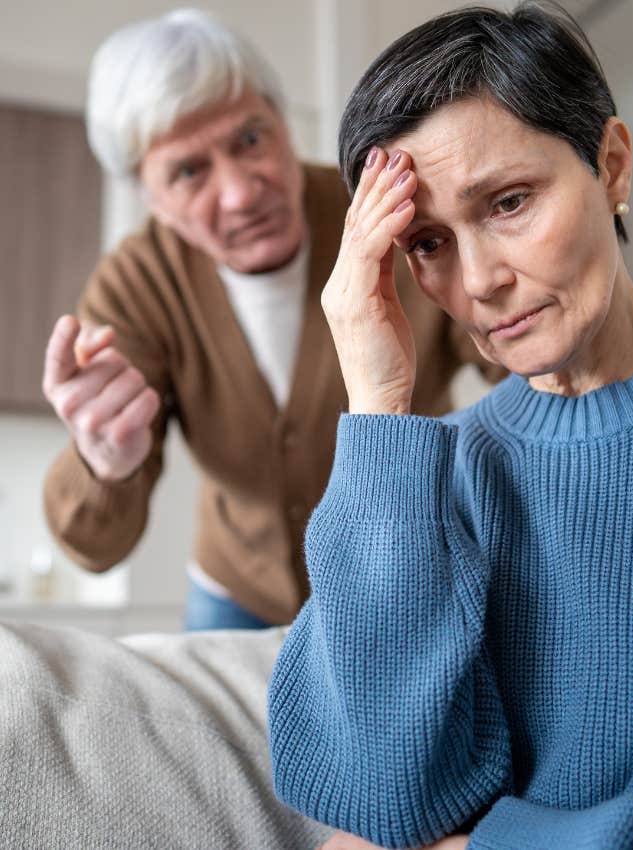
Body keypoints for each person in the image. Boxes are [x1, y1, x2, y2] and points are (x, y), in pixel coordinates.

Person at [267, 3, 633, 849]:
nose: (480, 280)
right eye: (427, 242)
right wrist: (378, 407)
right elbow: (377, 807)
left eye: (508, 202)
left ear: (611, 165)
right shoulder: (437, 474)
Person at [40, 9, 497, 631]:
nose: (240, 192)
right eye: (189, 171)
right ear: (149, 199)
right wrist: (102, 462)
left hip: (404, 558)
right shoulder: (135, 285)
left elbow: (515, 357)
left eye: (249, 139)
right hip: (237, 593)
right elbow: (95, 548)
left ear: (282, 122)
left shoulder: (385, 214)